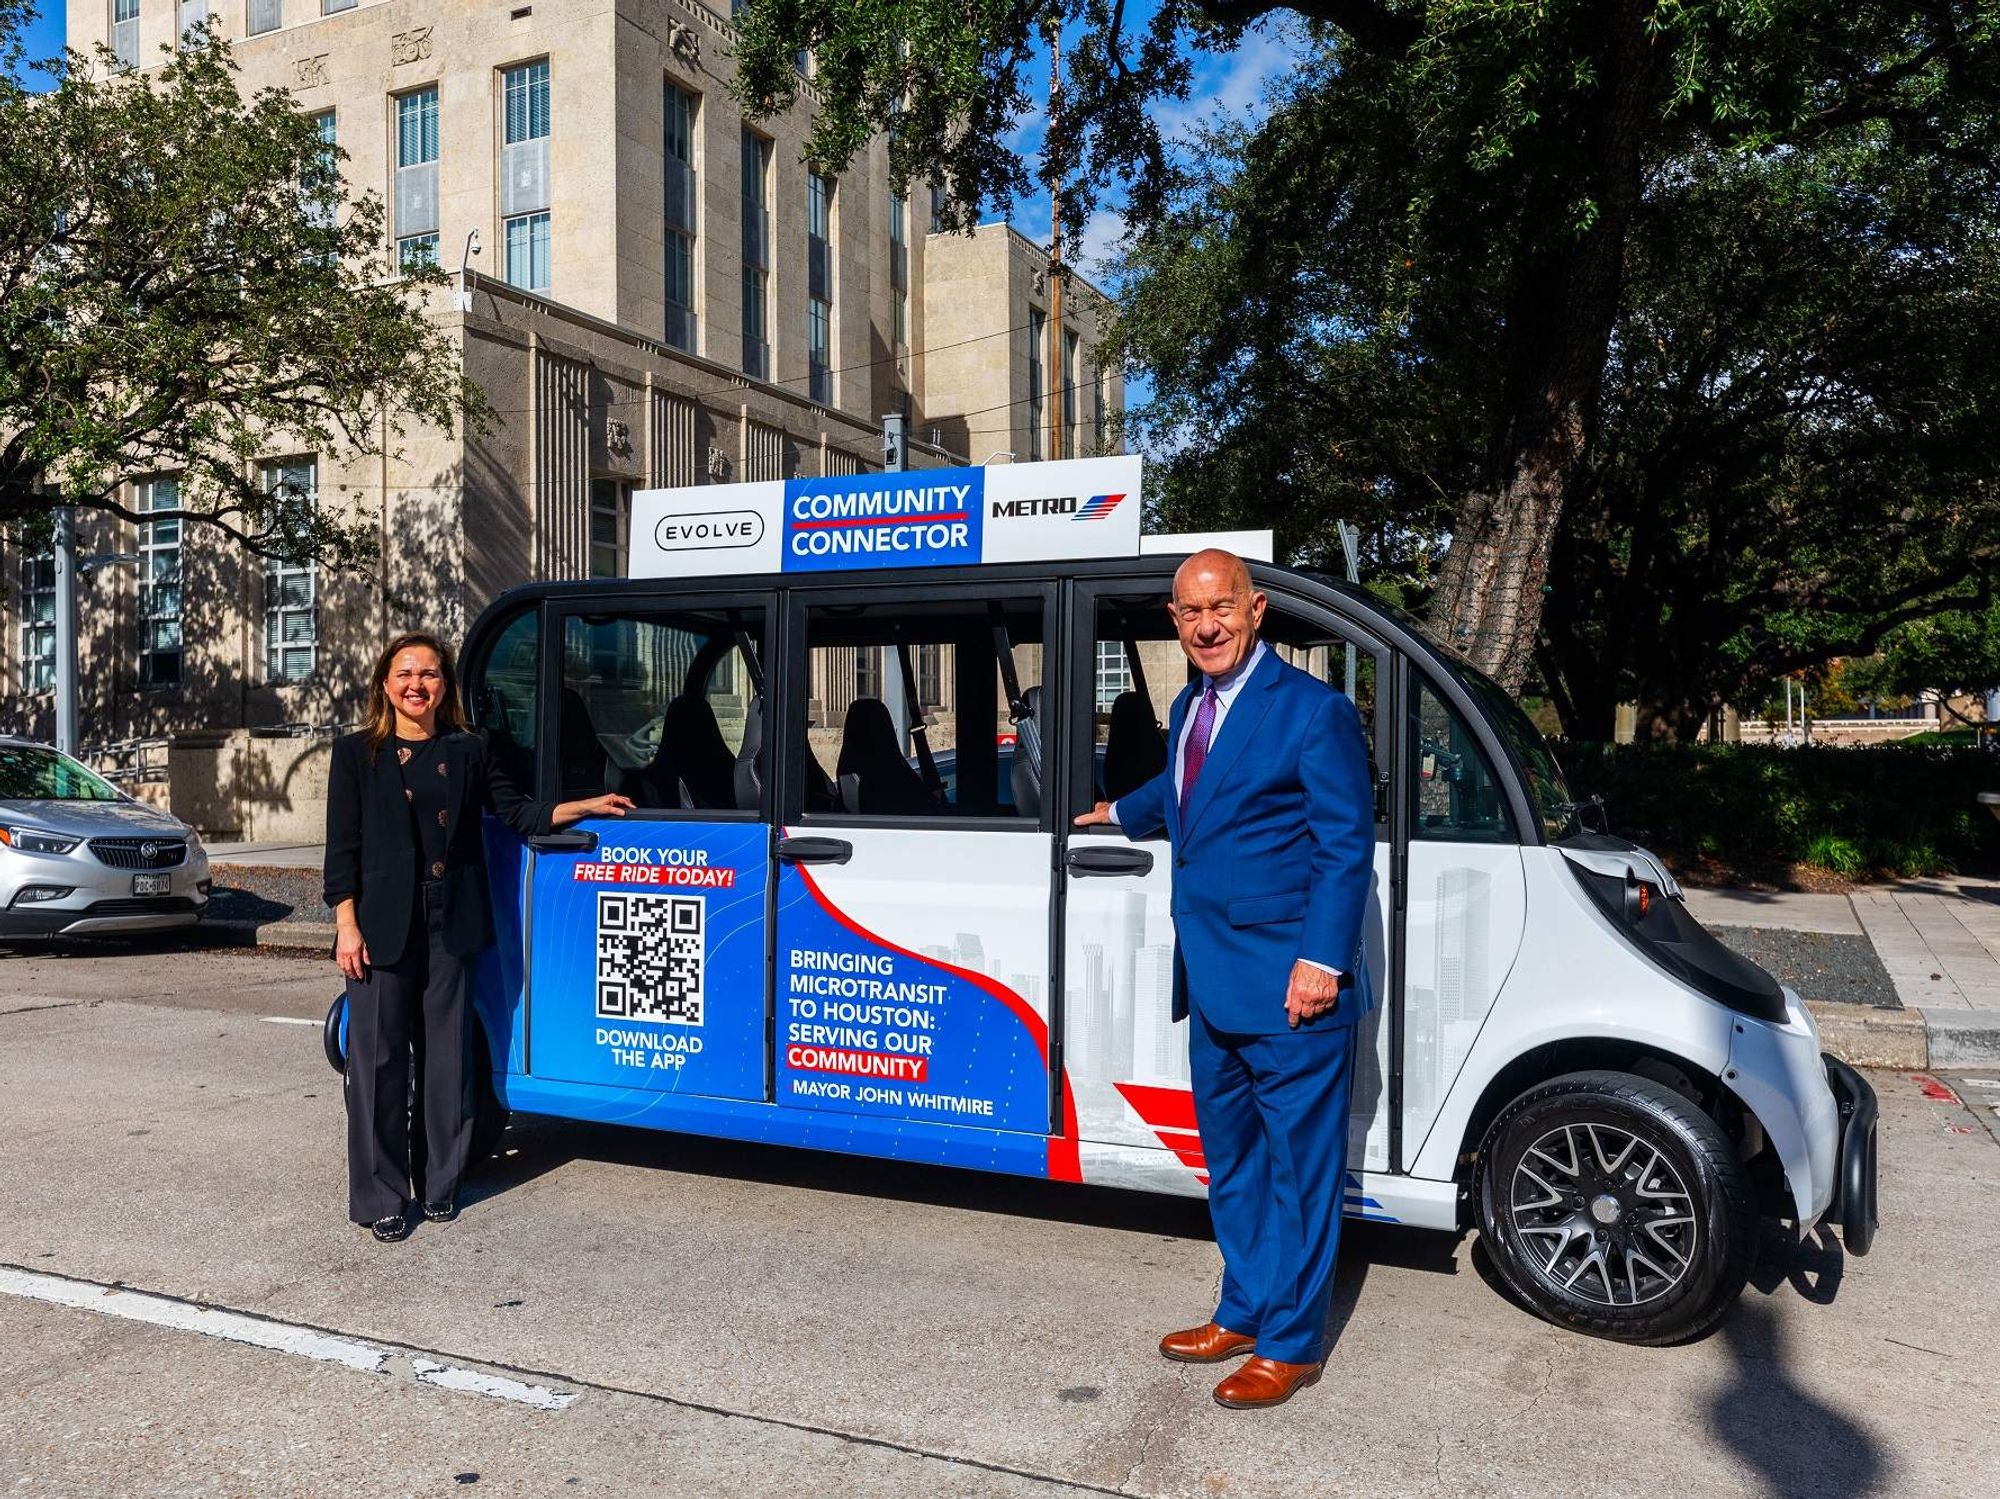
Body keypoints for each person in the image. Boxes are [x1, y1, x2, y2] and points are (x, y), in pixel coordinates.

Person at [1075, 549, 1374, 1409]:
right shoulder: (1188, 704)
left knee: (1299, 1174)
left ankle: (1291, 1342)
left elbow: (1344, 846)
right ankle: (1243, 1309)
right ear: (1175, 621)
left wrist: (1321, 962)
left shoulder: (1312, 710)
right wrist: (1121, 811)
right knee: (1234, 1163)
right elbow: (1188, 791)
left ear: (1255, 608)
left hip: (1290, 991)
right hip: (1210, 983)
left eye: (1222, 607)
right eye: (1191, 612)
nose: (1208, 626)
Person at [324, 631, 632, 1242]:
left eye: (429, 674)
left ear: (445, 685)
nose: (417, 684)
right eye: (405, 673)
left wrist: (583, 806)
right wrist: (346, 925)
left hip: (451, 919)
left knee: (446, 1059)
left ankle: (440, 1184)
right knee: (379, 1060)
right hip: (381, 923)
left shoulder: (468, 748)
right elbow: (343, 849)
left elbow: (517, 811)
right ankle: (382, 1195)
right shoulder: (356, 753)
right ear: (385, 684)